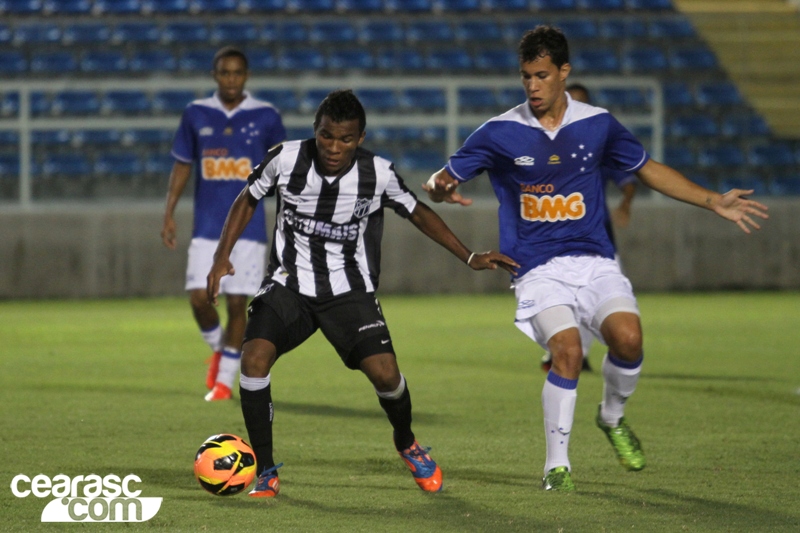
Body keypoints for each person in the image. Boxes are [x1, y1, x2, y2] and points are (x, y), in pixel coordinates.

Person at [424, 26, 768, 492]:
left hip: (594, 261)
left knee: (628, 340)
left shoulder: (598, 124)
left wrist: (712, 201)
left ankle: (611, 416)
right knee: (566, 350)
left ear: (564, 72)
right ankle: (556, 467)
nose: (533, 86)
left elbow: (648, 171)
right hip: (536, 267)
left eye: (542, 75)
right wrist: (440, 188)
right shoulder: (500, 131)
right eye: (526, 76)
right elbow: (440, 180)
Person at [206, 89, 518, 497]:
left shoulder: (378, 174)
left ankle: (406, 441)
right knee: (254, 359)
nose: (334, 148)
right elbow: (247, 198)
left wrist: (469, 255)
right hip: (290, 285)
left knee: (387, 375)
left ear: (361, 137)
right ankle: (265, 470)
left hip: (349, 292)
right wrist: (220, 256)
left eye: (346, 139)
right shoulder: (285, 159)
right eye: (326, 137)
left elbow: (418, 211)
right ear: (315, 132)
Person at [161, 46, 286, 402]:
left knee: (236, 304)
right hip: (206, 226)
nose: (230, 79)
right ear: (215, 76)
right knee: (199, 298)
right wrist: (169, 212)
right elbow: (183, 164)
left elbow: (281, 170)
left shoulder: (266, 116)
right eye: (224, 73)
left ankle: (223, 383)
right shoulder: (196, 114)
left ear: (246, 76)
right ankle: (220, 349)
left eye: (237, 73)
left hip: (248, 228)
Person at [540, 83, 638, 373]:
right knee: (561, 300)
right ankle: (566, 353)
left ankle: (587, 353)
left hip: (600, 243)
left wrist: (626, 203)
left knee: (610, 305)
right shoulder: (542, 145)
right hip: (556, 242)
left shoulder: (599, 148)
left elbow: (628, 178)